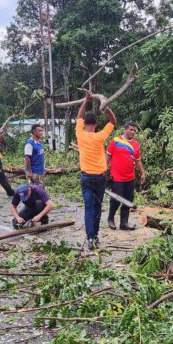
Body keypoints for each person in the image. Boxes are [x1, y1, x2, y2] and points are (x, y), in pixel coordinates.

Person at [75, 93, 116, 250]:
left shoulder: (80, 135)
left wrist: (86, 101)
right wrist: (105, 107)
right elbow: (113, 121)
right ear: (96, 124)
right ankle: (96, 235)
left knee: (89, 208)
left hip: (86, 178)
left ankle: (90, 238)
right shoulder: (100, 136)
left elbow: (79, 115)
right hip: (100, 178)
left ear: (85, 124)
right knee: (98, 207)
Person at [106, 122, 146, 230]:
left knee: (128, 200)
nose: (133, 132)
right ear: (125, 129)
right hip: (117, 177)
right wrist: (103, 171)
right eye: (131, 129)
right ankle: (110, 219)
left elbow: (138, 161)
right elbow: (108, 157)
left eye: (134, 130)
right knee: (116, 199)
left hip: (130, 177)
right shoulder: (115, 141)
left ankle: (124, 223)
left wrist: (142, 173)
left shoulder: (136, 144)